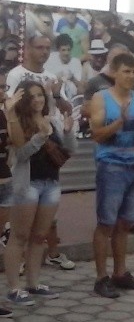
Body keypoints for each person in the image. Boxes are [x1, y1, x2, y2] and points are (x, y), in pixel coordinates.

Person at [88, 53, 134, 299]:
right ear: (114, 73)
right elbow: (96, 135)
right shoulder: (101, 98)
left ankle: (120, 273)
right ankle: (101, 277)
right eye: (126, 71)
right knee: (106, 223)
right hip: (110, 165)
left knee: (125, 223)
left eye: (133, 72)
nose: (130, 76)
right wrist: (118, 121)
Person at [7, 34, 77, 273]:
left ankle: (45, 261)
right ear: (27, 48)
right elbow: (12, 108)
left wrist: (56, 95)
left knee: (46, 216)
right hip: (28, 145)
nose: (44, 52)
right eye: (39, 47)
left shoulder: (51, 77)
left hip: (51, 145)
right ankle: (19, 268)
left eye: (48, 48)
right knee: (22, 225)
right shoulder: (16, 75)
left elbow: (65, 107)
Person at [5, 80, 76, 306]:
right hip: (27, 184)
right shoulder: (17, 121)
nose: (38, 100)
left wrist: (67, 131)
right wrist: (39, 137)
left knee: (39, 236)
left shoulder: (51, 120)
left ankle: (34, 283)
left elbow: (68, 151)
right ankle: (14, 287)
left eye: (40, 95)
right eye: (32, 96)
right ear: (24, 99)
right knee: (19, 236)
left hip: (51, 183)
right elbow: (22, 154)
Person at [0, 75, 17, 317]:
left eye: (4, 86)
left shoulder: (4, 112)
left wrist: (9, 112)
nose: (3, 91)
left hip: (4, 179)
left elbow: (14, 141)